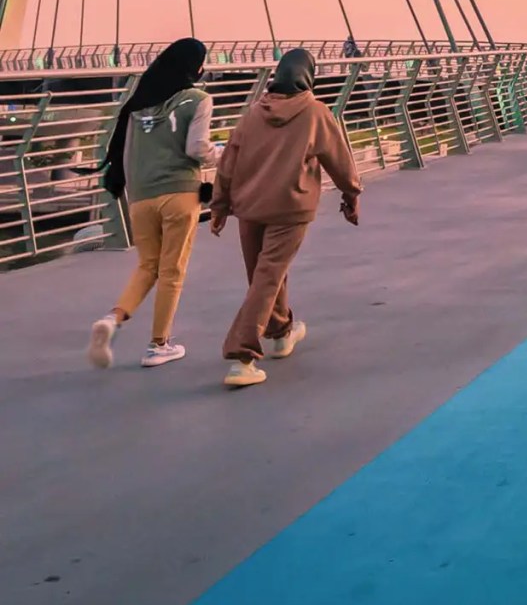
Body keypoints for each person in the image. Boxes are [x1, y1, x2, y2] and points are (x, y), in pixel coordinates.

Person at [210, 48, 363, 388]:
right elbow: (339, 159)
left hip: (250, 206)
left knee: (263, 275)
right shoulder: (315, 112)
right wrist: (351, 194)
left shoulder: (253, 114)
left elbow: (227, 164)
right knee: (268, 276)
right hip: (291, 207)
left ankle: (281, 333)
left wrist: (219, 207)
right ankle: (242, 357)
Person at [88, 38, 218, 369]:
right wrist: (224, 153)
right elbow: (197, 149)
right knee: (172, 270)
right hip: (180, 194)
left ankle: (113, 318)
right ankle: (158, 345)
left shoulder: (138, 104)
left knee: (148, 265)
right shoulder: (198, 99)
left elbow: (126, 154)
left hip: (141, 197)